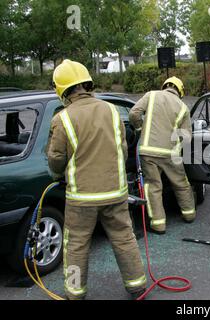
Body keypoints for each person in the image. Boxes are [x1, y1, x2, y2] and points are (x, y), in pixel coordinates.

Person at [47, 60, 147, 300]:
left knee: (77, 244)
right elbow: (122, 150)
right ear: (87, 83)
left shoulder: (62, 119)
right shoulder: (112, 110)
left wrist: (58, 174)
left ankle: (75, 292)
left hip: (81, 198)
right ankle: (137, 286)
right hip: (115, 192)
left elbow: (56, 159)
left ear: (62, 89)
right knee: (124, 236)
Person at [129, 77, 196, 235]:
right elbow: (186, 137)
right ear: (180, 91)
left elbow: (133, 114)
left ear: (164, 86)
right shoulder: (183, 107)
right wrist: (176, 148)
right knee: (181, 184)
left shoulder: (151, 95)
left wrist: (140, 130)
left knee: (153, 187)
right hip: (170, 154)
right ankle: (189, 214)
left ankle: (158, 225)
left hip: (148, 151)